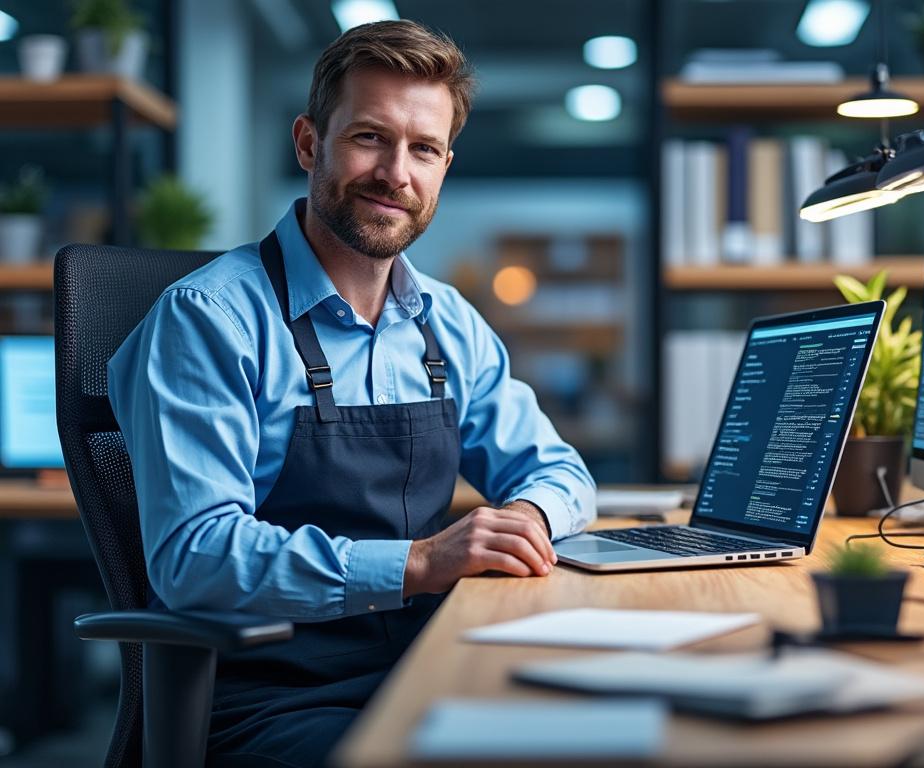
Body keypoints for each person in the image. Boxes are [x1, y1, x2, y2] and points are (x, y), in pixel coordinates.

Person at [107, 18, 596, 768]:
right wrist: (418, 563)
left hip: (430, 668)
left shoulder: (447, 324)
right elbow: (195, 556)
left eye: (424, 149)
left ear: (443, 168)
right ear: (310, 144)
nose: (396, 173)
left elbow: (561, 473)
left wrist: (525, 517)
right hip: (268, 701)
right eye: (370, 137)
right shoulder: (209, 320)